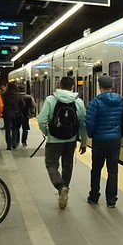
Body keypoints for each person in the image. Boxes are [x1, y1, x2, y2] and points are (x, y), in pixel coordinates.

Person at [37, 76, 88, 209]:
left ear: (59, 85)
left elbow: (41, 120)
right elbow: (83, 123)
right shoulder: (78, 102)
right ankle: (65, 188)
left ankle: (60, 187)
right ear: (73, 87)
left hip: (54, 140)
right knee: (68, 165)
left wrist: (47, 132)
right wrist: (84, 142)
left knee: (51, 165)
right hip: (71, 140)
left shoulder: (50, 99)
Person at [85, 74, 123, 208]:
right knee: (113, 170)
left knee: (96, 169)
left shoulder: (95, 102)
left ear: (100, 87)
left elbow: (89, 122)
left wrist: (91, 134)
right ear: (112, 86)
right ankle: (111, 200)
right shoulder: (121, 100)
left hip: (99, 141)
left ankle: (94, 196)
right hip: (115, 140)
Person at [2, 81, 25, 150]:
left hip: (7, 114)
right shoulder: (18, 95)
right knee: (15, 129)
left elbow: (2, 105)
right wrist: (19, 109)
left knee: (8, 130)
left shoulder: (4, 95)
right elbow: (23, 105)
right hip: (16, 114)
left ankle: (9, 145)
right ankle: (14, 143)